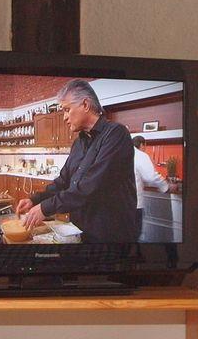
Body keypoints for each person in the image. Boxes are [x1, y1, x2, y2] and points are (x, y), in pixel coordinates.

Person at [15, 80, 136, 243]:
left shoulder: (116, 134)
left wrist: (45, 208)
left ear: (85, 105)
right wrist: (35, 200)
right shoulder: (78, 143)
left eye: (67, 110)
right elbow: (63, 182)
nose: (64, 117)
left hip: (110, 235)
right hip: (80, 231)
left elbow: (90, 186)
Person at [131, 135, 170, 240]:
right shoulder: (140, 155)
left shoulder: (122, 153)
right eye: (145, 146)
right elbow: (151, 177)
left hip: (121, 205)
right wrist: (166, 186)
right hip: (135, 204)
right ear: (142, 145)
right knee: (134, 235)